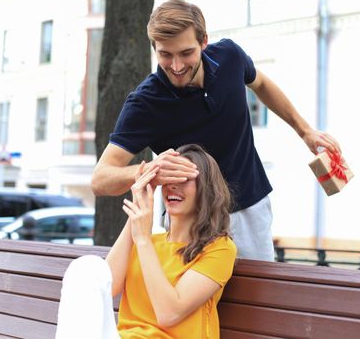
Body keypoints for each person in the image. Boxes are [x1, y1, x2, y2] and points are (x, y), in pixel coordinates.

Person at [91, 0, 341, 261]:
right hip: (189, 220)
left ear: (204, 42)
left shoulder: (230, 57)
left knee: (255, 297)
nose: (176, 67)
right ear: (155, 48)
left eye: (186, 53)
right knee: (189, 301)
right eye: (165, 54)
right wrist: (152, 171)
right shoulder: (144, 102)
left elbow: (262, 84)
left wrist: (305, 131)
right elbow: (101, 179)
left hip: (249, 207)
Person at [56, 144, 237, 339]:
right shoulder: (150, 242)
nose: (173, 184)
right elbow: (108, 286)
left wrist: (142, 238)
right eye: (168, 177)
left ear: (206, 189)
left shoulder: (219, 248)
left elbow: (169, 313)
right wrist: (138, 207)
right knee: (86, 267)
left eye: (184, 178)